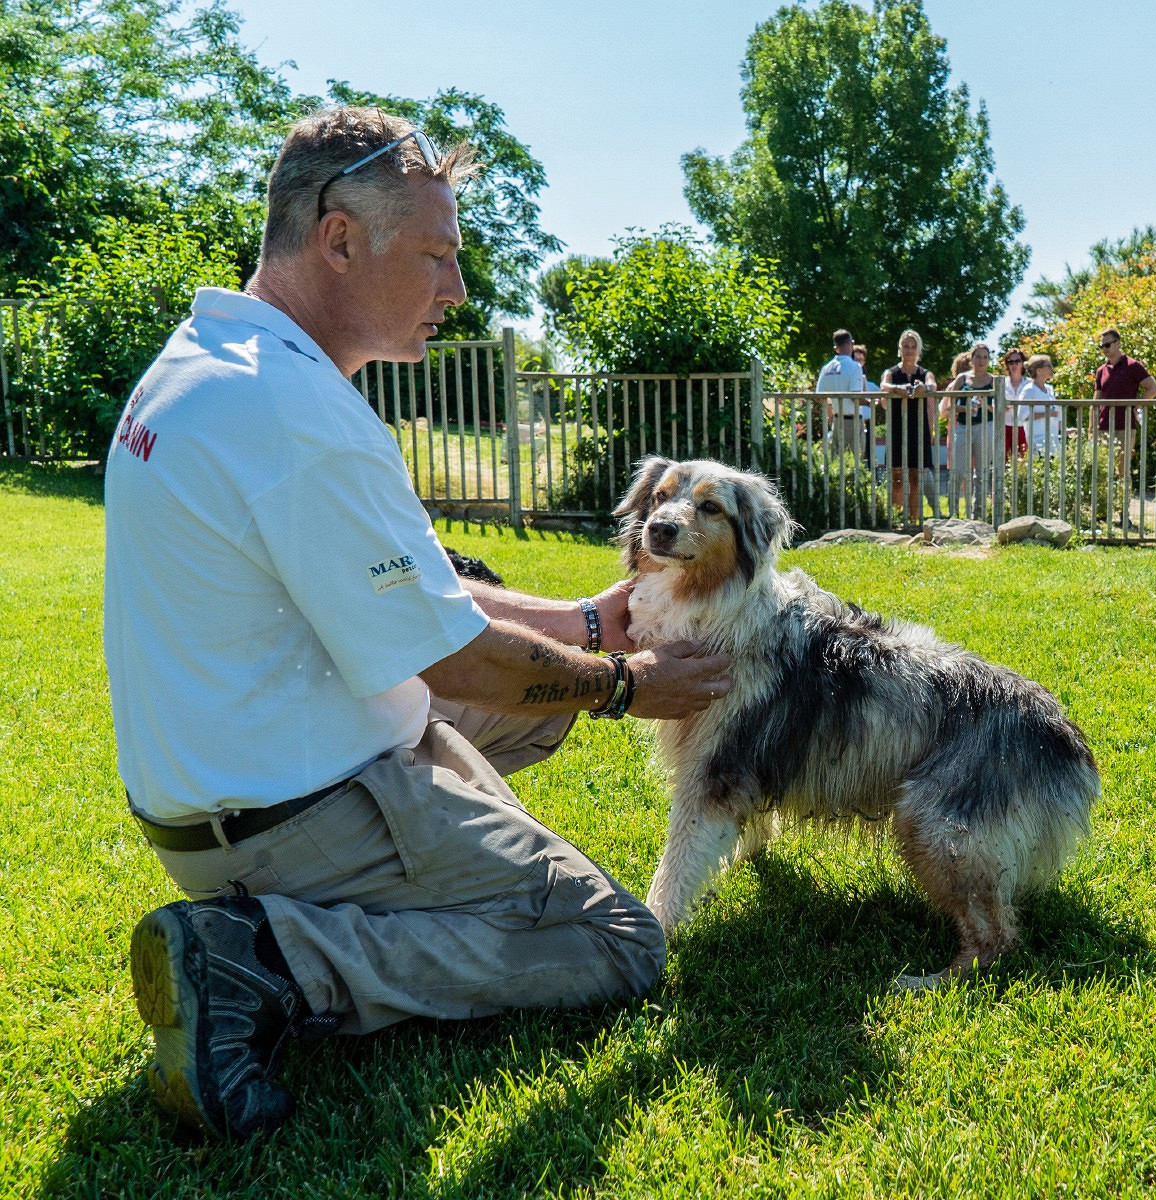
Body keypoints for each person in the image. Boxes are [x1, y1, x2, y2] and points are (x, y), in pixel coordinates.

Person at [104, 106, 733, 1140]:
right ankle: (263, 962)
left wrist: (583, 622)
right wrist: (626, 685)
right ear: (339, 238)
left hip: (238, 782)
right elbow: (455, 654)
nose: (459, 289)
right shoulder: (297, 418)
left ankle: (410, 871)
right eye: (437, 256)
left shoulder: (220, 362)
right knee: (620, 943)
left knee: (539, 712)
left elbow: (422, 591)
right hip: (297, 815)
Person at [1092, 328, 1156, 528]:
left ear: (1118, 343)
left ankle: (1124, 515)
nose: (1104, 349)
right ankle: (1103, 513)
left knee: (1123, 472)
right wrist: (1091, 427)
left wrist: (1136, 405)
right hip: (1103, 426)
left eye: (1107, 344)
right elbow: (1096, 401)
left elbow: (1152, 388)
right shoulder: (1100, 370)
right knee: (1103, 471)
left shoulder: (1133, 366)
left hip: (1124, 426)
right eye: (1101, 346)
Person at [880, 330, 940, 524]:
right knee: (897, 475)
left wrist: (924, 388)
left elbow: (933, 386)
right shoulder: (891, 373)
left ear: (918, 350)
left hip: (918, 429)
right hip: (897, 428)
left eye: (913, 346)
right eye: (906, 346)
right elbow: (884, 385)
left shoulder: (924, 374)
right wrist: (898, 389)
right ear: (900, 348)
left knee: (916, 477)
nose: (909, 350)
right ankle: (897, 519)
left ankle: (914, 521)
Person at [940, 343, 996, 518]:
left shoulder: (994, 380)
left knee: (982, 472)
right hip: (963, 427)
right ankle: (954, 513)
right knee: (957, 470)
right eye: (978, 356)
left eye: (985, 357)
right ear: (971, 359)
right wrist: (965, 408)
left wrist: (985, 404)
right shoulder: (962, 379)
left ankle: (978, 512)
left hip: (985, 427)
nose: (981, 360)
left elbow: (1001, 408)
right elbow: (949, 406)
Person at [815, 328, 866, 464]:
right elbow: (855, 396)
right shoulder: (855, 367)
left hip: (837, 421)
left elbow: (819, 397)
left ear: (835, 348)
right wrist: (869, 402)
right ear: (852, 344)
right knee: (856, 462)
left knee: (837, 462)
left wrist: (831, 411)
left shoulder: (826, 368)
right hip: (853, 420)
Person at [1018, 354, 1062, 458]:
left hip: (1053, 439)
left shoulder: (1049, 389)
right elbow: (1022, 416)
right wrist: (1047, 414)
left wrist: (1065, 430)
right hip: (1037, 439)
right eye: (1048, 366)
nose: (1052, 369)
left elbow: (1055, 413)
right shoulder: (1029, 390)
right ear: (1039, 370)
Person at [853, 343, 881, 463]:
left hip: (866, 422)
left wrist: (875, 402)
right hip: (851, 420)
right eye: (856, 359)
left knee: (869, 453)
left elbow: (881, 396)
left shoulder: (869, 384)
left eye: (861, 360)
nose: (858, 362)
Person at [1002, 348, 1028, 459]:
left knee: (1024, 462)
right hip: (1005, 427)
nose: (1014, 365)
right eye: (1010, 361)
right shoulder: (1001, 383)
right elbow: (993, 406)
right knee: (1005, 462)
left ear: (1023, 363)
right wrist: (1001, 407)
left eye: (1017, 361)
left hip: (1024, 427)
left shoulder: (1030, 384)